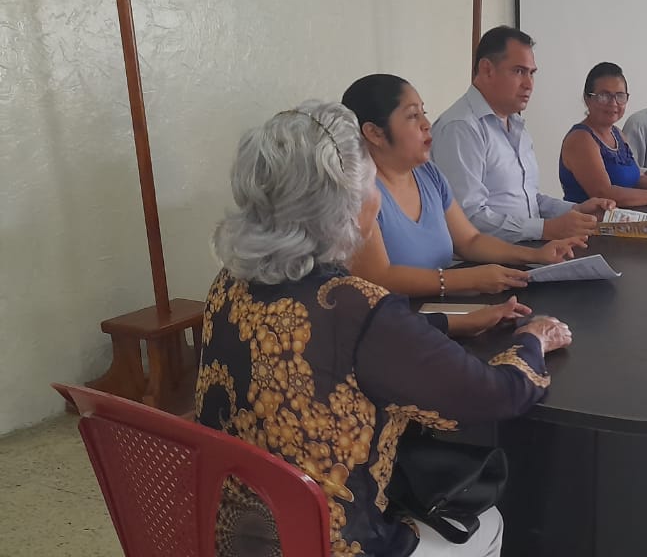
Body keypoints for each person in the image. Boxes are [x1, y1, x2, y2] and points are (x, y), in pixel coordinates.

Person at [199, 100, 575, 557]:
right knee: (489, 523)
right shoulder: (356, 306)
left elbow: (342, 344)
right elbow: (495, 396)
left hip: (233, 531)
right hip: (329, 543)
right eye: (370, 182)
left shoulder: (228, 283)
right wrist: (533, 340)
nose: (376, 198)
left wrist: (453, 324)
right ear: (344, 204)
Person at [342, 74, 587, 297]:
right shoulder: (356, 193)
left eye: (423, 113)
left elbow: (470, 240)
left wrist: (535, 255)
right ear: (374, 133)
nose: (427, 124)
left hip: (442, 308)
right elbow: (378, 278)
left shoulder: (428, 174)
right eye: (413, 116)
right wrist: (468, 279)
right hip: (395, 321)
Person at [433, 26, 615, 243]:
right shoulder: (461, 128)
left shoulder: (515, 124)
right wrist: (545, 229)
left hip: (528, 249)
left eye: (532, 73)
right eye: (519, 71)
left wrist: (575, 210)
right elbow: (467, 218)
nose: (529, 84)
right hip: (488, 258)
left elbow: (528, 200)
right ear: (487, 69)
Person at [559, 62, 647, 207]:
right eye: (604, 96)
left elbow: (635, 178)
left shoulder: (617, 133)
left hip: (623, 217)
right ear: (587, 99)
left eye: (620, 96)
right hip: (589, 220)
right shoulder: (581, 139)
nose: (613, 103)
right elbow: (604, 193)